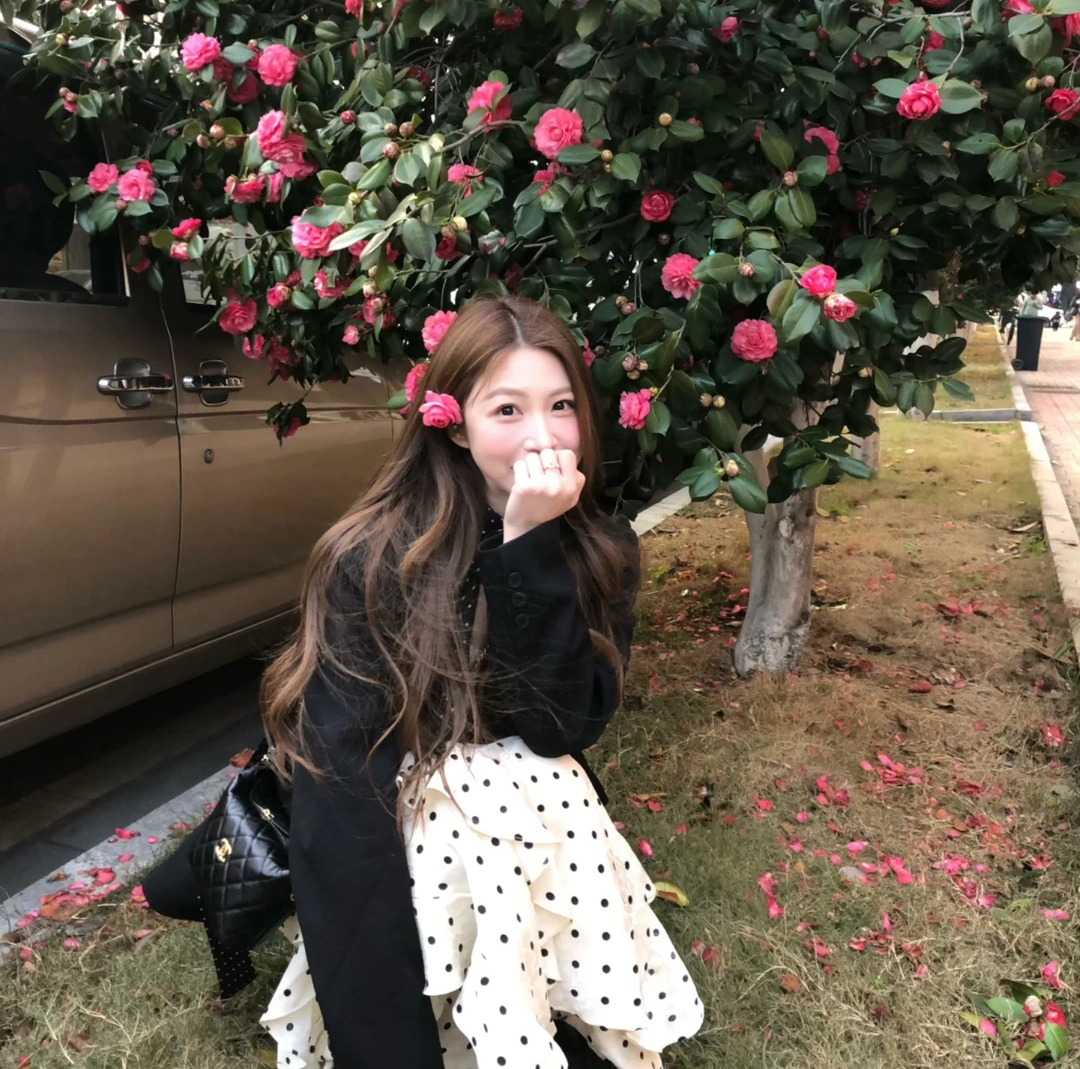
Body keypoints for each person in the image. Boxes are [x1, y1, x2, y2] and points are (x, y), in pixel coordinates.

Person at [147, 294, 706, 1069]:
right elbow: (342, 788)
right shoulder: (374, 556)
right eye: (507, 409)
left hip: (538, 821)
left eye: (561, 406)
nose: (543, 436)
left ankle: (531, 1005)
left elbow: (561, 727)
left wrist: (529, 546)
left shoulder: (598, 548)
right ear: (454, 422)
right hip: (401, 823)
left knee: (524, 782)